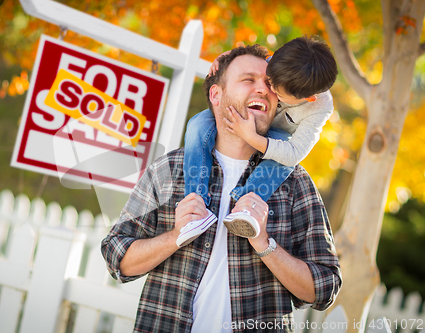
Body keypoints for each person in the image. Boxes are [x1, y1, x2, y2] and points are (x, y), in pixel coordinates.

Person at [101, 44, 341, 333]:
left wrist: (264, 244)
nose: (265, 89)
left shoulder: (295, 183)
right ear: (216, 95)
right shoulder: (168, 170)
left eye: (269, 84)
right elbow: (116, 257)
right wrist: (175, 237)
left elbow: (324, 289)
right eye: (248, 80)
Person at [182, 36, 337, 244]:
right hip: (244, 117)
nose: (266, 89)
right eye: (270, 78)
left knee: (284, 161)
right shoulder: (279, 62)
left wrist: (252, 138)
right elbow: (251, 57)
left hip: (274, 139)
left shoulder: (320, 107)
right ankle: (195, 201)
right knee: (196, 125)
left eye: (276, 90)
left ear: (308, 98)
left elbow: (295, 153)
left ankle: (247, 205)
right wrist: (226, 57)